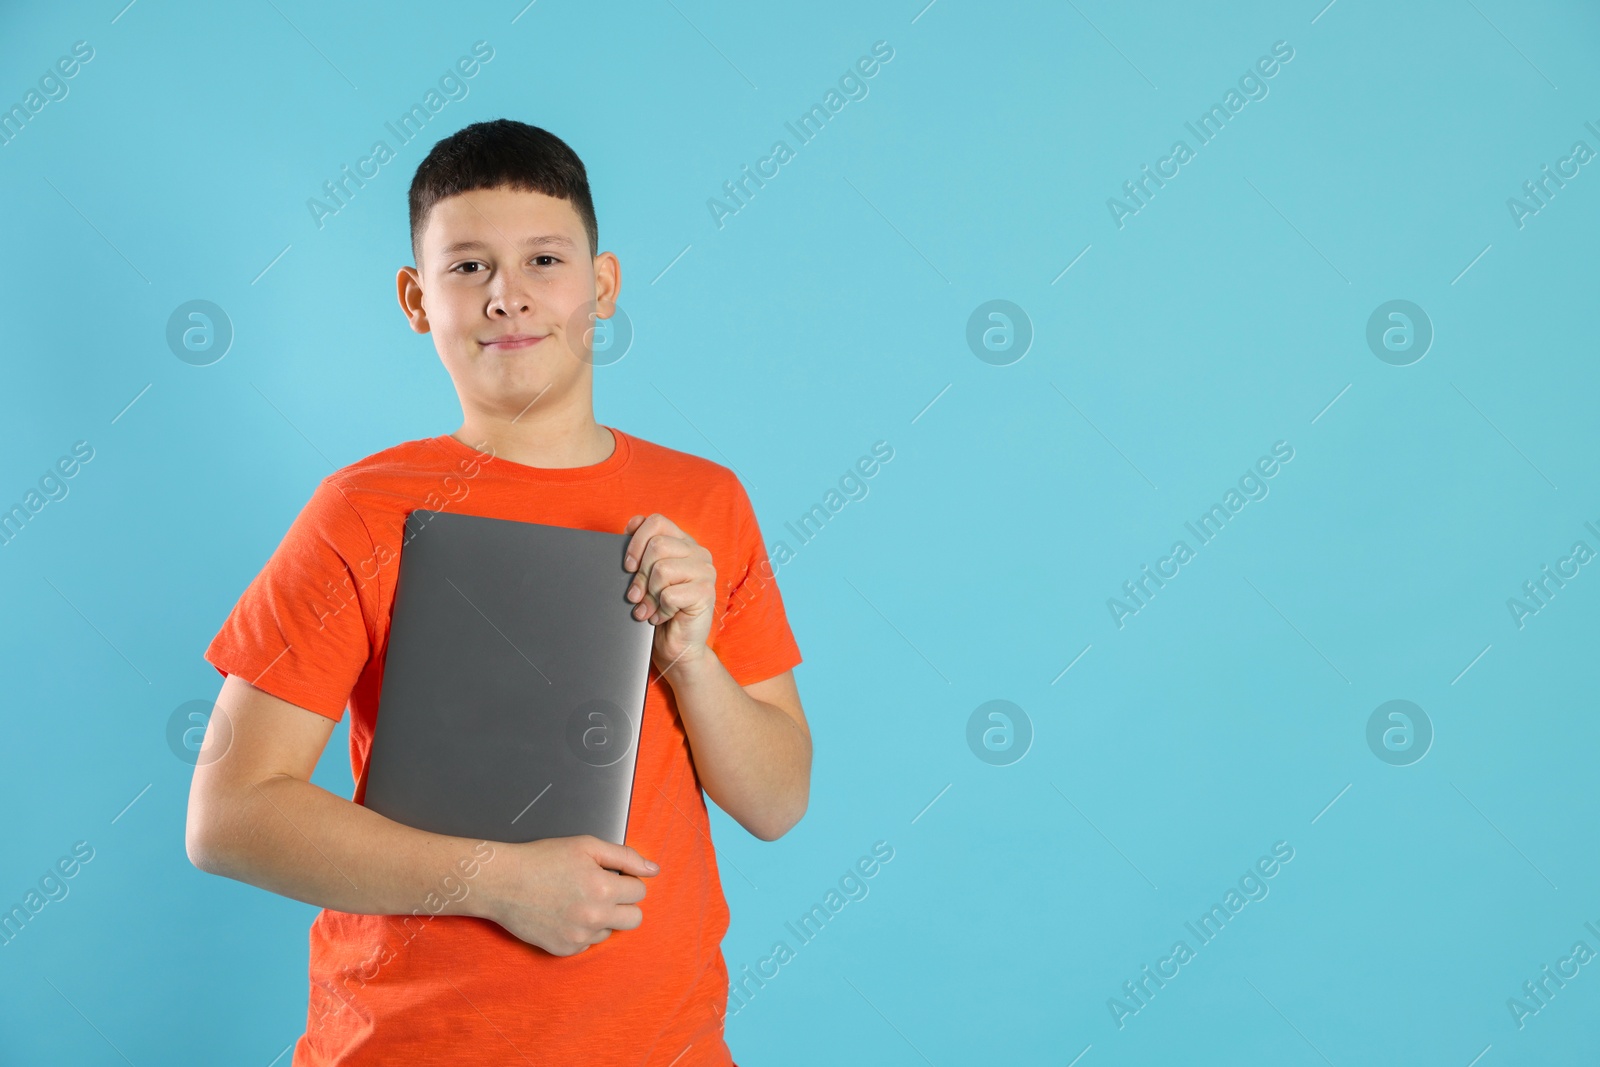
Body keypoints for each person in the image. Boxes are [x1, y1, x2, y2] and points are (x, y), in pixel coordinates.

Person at [184, 118, 810, 1066]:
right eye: (468, 267)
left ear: (601, 287)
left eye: (545, 260)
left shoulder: (704, 501)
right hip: (407, 1043)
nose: (508, 297)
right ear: (415, 298)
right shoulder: (361, 512)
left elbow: (777, 799)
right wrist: (496, 880)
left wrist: (691, 658)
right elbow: (229, 815)